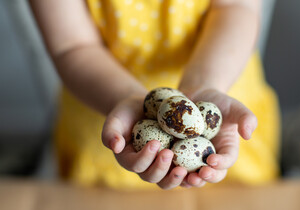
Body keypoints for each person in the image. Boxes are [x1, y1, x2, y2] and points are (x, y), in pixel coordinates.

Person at [30, 0, 280, 190]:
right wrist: (125, 98)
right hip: (108, 116)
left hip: (221, 88)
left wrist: (205, 84)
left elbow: (237, 9)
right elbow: (72, 46)